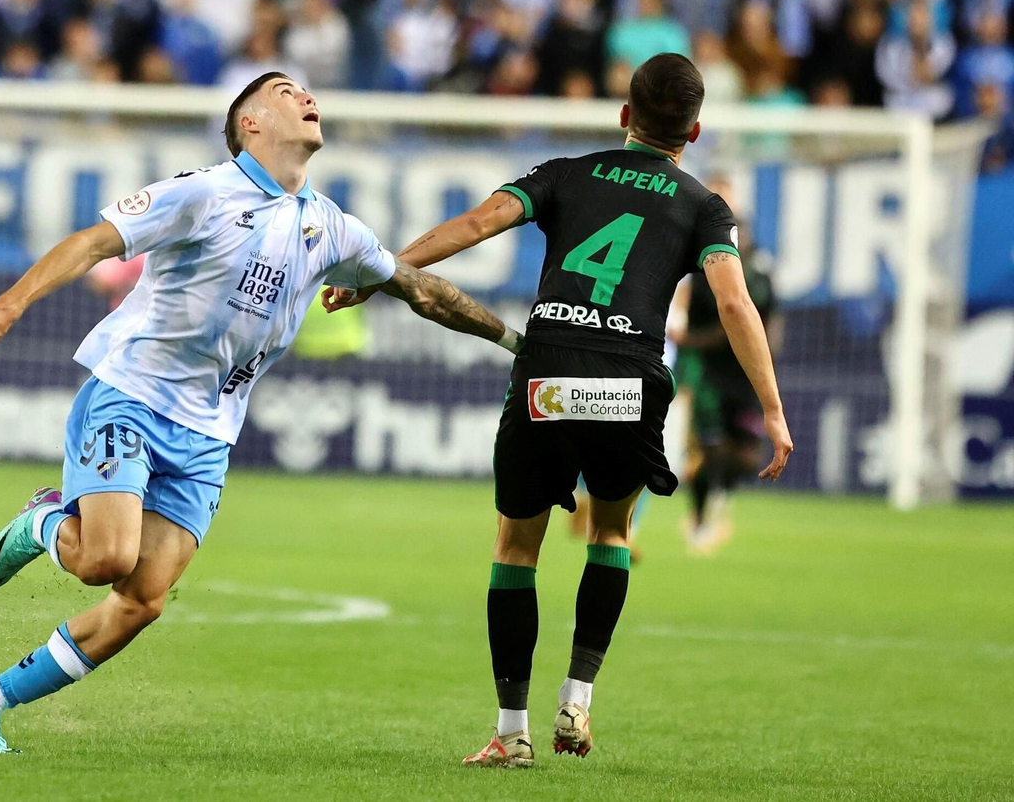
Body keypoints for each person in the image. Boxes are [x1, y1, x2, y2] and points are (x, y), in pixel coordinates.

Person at [0, 72, 523, 754]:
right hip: (132, 394)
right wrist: (5, 306)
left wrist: (515, 343)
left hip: (209, 433)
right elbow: (93, 243)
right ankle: (43, 520)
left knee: (141, 600)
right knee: (105, 560)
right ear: (251, 123)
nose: (306, 97)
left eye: (306, 91)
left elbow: (424, 291)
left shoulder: (332, 228)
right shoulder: (204, 193)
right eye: (285, 92)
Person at [325, 53, 793, 767]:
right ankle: (577, 699)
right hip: (631, 382)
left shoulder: (567, 172)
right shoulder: (705, 206)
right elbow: (734, 303)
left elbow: (478, 222)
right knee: (611, 531)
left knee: (517, 547)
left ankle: (511, 731)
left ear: (625, 115)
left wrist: (381, 272)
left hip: (546, 372)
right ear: (694, 132)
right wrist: (774, 411)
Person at [671, 182, 780, 553]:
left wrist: (767, 356)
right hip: (710, 377)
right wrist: (687, 351)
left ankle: (717, 497)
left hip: (747, 377)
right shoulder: (703, 273)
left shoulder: (760, 275)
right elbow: (698, 318)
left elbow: (760, 320)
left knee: (749, 458)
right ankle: (701, 517)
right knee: (713, 447)